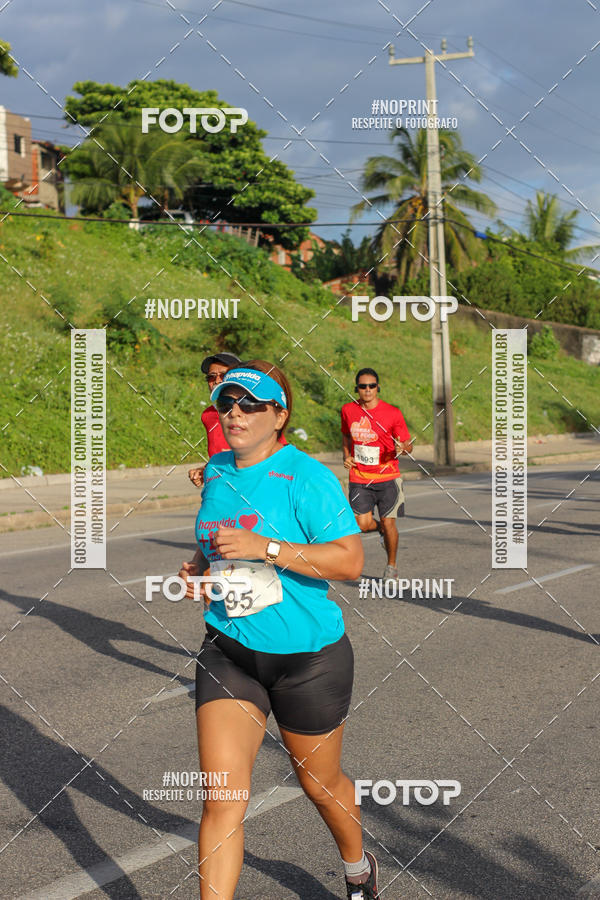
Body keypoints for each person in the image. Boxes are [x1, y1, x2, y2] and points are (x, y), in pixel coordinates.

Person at [179, 360, 380, 900]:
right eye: (227, 403)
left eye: (250, 404)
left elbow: (349, 560)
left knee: (320, 785)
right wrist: (198, 566)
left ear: (279, 414)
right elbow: (215, 538)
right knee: (221, 799)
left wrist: (265, 549)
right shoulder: (218, 469)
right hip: (230, 651)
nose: (236, 413)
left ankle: (358, 869)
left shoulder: (307, 476)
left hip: (308, 659)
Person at [341, 368, 412, 580]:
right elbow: (346, 435)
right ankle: (381, 529)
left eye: (372, 385)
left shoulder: (393, 413)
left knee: (390, 523)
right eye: (363, 386)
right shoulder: (348, 410)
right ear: (357, 389)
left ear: (377, 387)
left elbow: (407, 444)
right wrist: (346, 456)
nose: (368, 390)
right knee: (362, 524)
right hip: (359, 477)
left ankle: (391, 566)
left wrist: (404, 448)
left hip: (388, 476)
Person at [188, 351, 241, 488]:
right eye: (211, 377)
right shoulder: (208, 415)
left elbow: (277, 452)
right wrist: (205, 470)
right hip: (220, 491)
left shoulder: (254, 410)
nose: (217, 381)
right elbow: (221, 456)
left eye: (223, 375)